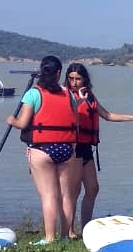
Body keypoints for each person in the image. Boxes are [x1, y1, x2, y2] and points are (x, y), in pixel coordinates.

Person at [7, 55, 82, 242]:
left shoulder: (33, 94)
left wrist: (11, 121)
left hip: (41, 150)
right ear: (58, 73)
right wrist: (72, 145)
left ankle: (50, 238)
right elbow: (76, 123)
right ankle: (66, 235)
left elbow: (23, 123)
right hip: (66, 149)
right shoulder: (69, 94)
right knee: (65, 195)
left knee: (49, 195)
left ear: (42, 71)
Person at [65, 62, 133, 237]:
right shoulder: (67, 95)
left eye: (78, 78)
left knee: (92, 188)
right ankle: (68, 231)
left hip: (87, 148)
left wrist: (132, 117)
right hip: (73, 147)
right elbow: (68, 114)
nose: (74, 82)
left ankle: (85, 229)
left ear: (84, 79)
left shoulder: (90, 96)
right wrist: (78, 99)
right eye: (71, 79)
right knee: (73, 190)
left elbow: (107, 115)